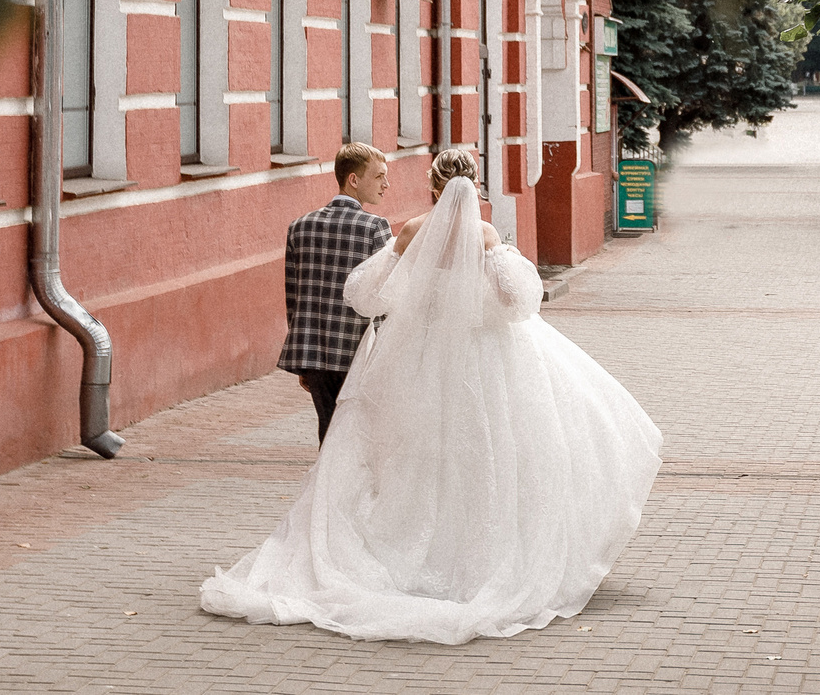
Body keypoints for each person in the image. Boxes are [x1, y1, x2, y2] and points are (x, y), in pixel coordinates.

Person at [201, 147, 662, 642]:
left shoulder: (409, 232)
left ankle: (403, 552)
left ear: (432, 188)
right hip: (483, 360)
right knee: (487, 455)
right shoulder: (484, 235)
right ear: (475, 185)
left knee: (413, 456)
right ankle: (477, 557)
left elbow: (363, 294)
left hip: (416, 357)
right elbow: (519, 301)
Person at [279, 142, 393, 443]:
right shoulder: (375, 228)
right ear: (353, 179)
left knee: (327, 431)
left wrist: (305, 359)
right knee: (359, 437)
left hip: (313, 353)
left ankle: (325, 489)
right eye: (379, 176)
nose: (386, 184)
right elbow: (384, 297)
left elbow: (294, 296)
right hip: (357, 352)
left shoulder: (299, 227)